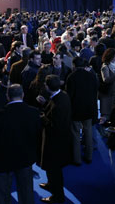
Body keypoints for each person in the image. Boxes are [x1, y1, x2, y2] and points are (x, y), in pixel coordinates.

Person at [0, 84, 41, 204]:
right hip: (25, 158)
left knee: (2, 193)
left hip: (3, 160)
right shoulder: (33, 113)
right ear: (23, 95)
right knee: (26, 192)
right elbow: (38, 136)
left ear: (7, 96)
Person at [37, 75, 73, 203]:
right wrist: (45, 104)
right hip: (59, 140)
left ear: (47, 87)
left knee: (54, 171)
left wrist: (42, 117)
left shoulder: (58, 102)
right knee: (52, 170)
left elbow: (53, 124)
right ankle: (51, 184)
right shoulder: (63, 96)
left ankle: (57, 197)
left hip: (55, 143)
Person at [65, 57, 98, 165]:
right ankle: (89, 156)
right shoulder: (92, 76)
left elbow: (69, 95)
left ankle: (76, 159)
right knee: (88, 133)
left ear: (74, 65)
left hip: (75, 110)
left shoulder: (71, 77)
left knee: (75, 134)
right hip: (89, 109)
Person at [99, 49, 115, 120]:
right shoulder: (105, 66)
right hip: (107, 93)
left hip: (113, 91)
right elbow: (106, 79)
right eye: (114, 56)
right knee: (107, 111)